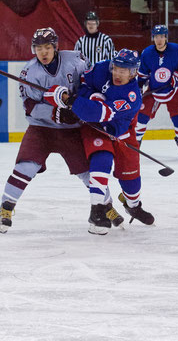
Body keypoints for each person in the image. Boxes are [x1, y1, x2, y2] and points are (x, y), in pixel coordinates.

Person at [0, 28, 92, 234]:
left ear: (55, 47)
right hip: (42, 129)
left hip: (71, 130)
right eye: (39, 48)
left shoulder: (75, 60)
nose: (43, 52)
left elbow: (89, 85)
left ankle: (105, 206)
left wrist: (80, 104)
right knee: (25, 168)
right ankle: (5, 208)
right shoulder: (29, 71)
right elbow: (29, 105)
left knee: (87, 172)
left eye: (47, 47)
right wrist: (57, 115)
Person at [64, 49, 155, 234]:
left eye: (124, 70)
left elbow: (94, 111)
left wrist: (78, 103)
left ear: (133, 73)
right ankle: (97, 211)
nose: (118, 74)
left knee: (130, 180)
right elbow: (83, 84)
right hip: (96, 127)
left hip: (120, 131)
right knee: (101, 159)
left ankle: (133, 205)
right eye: (116, 68)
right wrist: (91, 96)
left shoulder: (132, 97)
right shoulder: (101, 68)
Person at [136, 25, 178, 159]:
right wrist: (139, 88)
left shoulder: (177, 50)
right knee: (142, 117)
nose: (159, 40)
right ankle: (136, 142)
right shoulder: (147, 53)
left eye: (162, 36)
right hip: (153, 91)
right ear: (153, 38)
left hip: (173, 90)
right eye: (156, 37)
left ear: (166, 37)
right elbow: (142, 76)